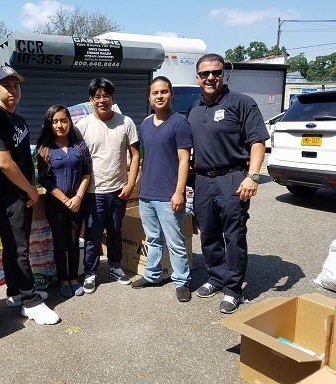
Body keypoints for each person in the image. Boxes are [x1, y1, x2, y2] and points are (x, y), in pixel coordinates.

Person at [187, 53, 269, 314]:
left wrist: (252, 176)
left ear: (223, 74)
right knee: (209, 233)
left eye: (216, 72)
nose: (210, 77)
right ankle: (215, 277)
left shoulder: (242, 103)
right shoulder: (194, 109)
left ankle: (233, 289)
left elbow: (257, 142)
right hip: (202, 180)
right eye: (205, 74)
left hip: (232, 178)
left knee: (233, 235)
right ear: (197, 78)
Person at [0, 66, 59, 325]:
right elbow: (3, 162)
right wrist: (30, 189)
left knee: (14, 246)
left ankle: (15, 292)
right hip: (6, 196)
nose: (13, 89)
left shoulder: (19, 119)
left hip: (21, 194)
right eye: (7, 85)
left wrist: (30, 188)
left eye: (16, 85)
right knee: (19, 248)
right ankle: (31, 302)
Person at [131, 76, 193, 302]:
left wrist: (179, 192)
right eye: (155, 93)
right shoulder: (145, 124)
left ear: (171, 95)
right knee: (153, 238)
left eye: (164, 92)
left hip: (169, 195)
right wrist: (138, 187)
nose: (159, 96)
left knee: (175, 242)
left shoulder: (179, 123)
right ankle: (153, 275)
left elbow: (184, 160)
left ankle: (182, 281)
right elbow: (146, 158)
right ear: (149, 97)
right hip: (147, 194)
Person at [75, 78, 140, 293]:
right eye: (97, 97)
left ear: (113, 98)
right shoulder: (82, 126)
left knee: (115, 230)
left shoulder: (126, 122)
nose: (102, 100)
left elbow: (135, 154)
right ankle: (91, 272)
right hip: (93, 191)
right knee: (93, 233)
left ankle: (114, 266)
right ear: (90, 100)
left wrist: (131, 183)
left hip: (118, 189)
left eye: (106, 96)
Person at [36, 105, 91, 298]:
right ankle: (63, 280)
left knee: (74, 241)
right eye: (55, 121)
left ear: (69, 122)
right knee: (60, 243)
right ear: (49, 124)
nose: (60, 125)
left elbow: (86, 173)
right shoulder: (45, 148)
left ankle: (74, 278)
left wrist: (78, 197)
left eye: (63, 120)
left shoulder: (79, 146)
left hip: (77, 203)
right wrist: (66, 200)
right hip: (56, 205)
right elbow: (46, 180)